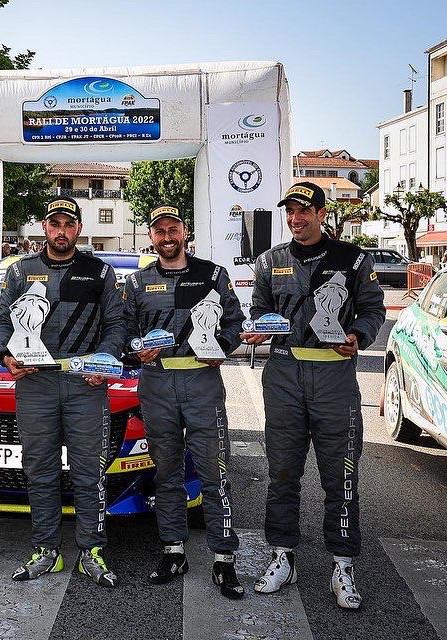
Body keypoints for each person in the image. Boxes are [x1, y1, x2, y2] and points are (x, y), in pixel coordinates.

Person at [242, 182, 385, 610]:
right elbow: (258, 311)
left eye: (304, 210)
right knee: (282, 473)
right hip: (284, 373)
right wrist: (258, 328)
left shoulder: (354, 258)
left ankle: (342, 564)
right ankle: (282, 555)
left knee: (339, 474)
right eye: (290, 212)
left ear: (322, 213)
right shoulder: (270, 261)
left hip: (334, 376)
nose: (295, 218)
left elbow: (373, 309)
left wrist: (358, 335)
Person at [0, 196, 125, 588]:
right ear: (44, 227)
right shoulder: (20, 272)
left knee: (89, 472)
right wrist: (5, 355)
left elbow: (116, 323)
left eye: (69, 223)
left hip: (85, 384)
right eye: (55, 223)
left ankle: (92, 550)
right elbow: (2, 320)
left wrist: (104, 359)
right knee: (40, 471)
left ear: (78, 229)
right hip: (35, 383)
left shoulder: (99, 271)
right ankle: (46, 550)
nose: (61, 230)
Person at [123, 206, 245, 599]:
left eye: (173, 228)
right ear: (151, 237)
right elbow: (122, 332)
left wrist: (222, 348)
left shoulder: (212, 274)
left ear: (185, 232)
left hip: (201, 380)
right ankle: (173, 551)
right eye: (159, 231)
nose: (167, 236)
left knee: (214, 472)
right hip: (156, 383)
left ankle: (224, 560)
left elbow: (233, 323)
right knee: (167, 474)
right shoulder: (137, 283)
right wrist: (134, 352)